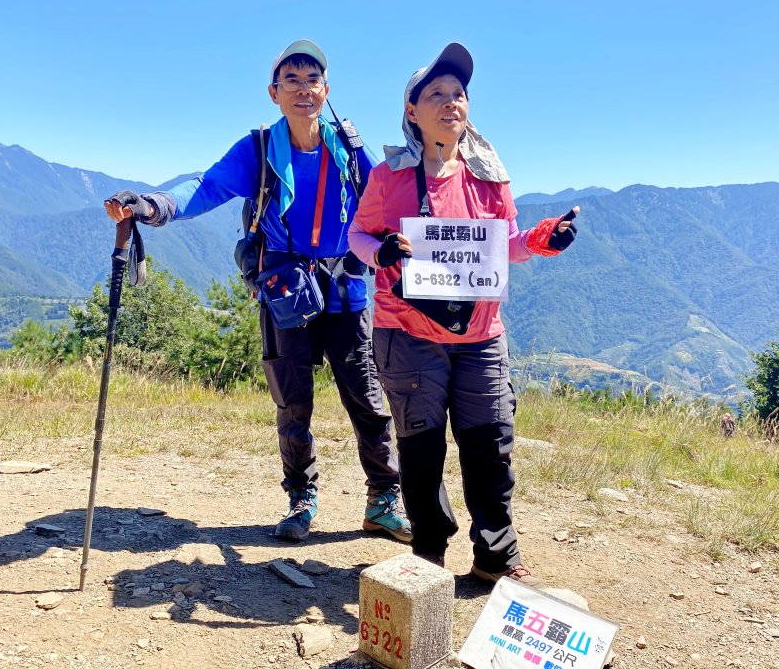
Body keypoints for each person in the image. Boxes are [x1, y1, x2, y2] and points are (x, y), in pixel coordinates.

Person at [103, 40, 410, 544]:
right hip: (286, 291)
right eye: (292, 80)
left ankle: (382, 499)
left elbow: (387, 199)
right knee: (293, 405)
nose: (304, 89)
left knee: (368, 401)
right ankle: (301, 498)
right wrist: (155, 205)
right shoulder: (260, 149)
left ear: (326, 90)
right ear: (274, 93)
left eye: (313, 79)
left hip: (347, 290)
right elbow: (207, 185)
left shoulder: (352, 150)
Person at [348, 42, 579, 584]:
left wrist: (543, 239)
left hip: (479, 334)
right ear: (412, 110)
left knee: (489, 444)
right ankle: (427, 556)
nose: (451, 102)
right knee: (421, 450)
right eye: (436, 94)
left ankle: (495, 556)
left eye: (459, 93)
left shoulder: (491, 175)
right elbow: (358, 234)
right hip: (407, 332)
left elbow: (504, 244)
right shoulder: (389, 177)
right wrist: (377, 252)